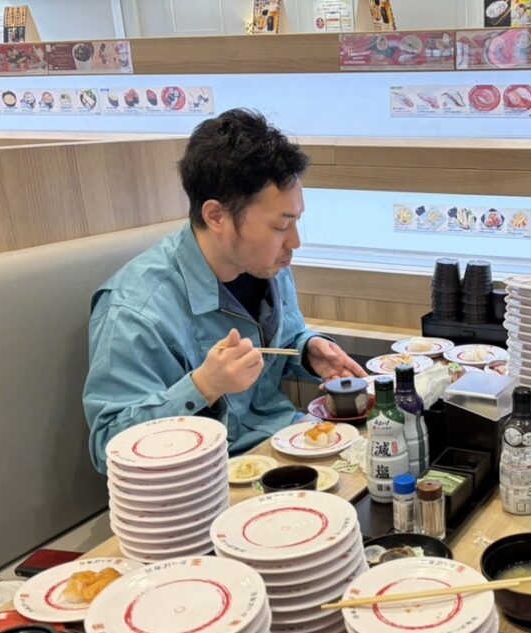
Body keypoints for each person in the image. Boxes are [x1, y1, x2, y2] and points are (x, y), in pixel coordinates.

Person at [83, 109, 364, 474]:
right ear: (216, 216)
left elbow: (282, 342)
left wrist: (307, 350)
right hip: (205, 479)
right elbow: (108, 448)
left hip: (283, 447)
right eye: (281, 226)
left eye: (296, 221)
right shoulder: (135, 310)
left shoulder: (266, 265)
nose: (294, 242)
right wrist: (204, 385)